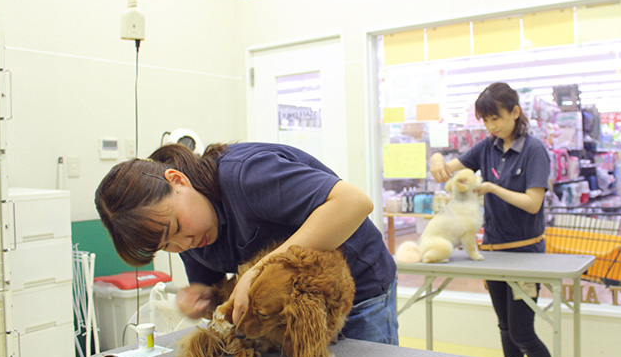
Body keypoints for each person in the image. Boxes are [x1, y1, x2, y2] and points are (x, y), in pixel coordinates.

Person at [95, 142, 399, 345]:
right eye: (166, 246)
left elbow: (354, 203)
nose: (183, 243)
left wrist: (258, 271)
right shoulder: (189, 238)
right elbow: (218, 290)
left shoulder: (248, 175)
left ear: (178, 180)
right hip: (285, 316)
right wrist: (201, 298)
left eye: (175, 227)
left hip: (357, 291)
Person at [430, 82, 565, 357]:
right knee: (505, 328)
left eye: (496, 119)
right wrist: (436, 156)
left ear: (515, 113)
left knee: (522, 330)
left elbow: (533, 203)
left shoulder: (533, 150)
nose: (491, 126)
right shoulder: (487, 147)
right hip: (493, 251)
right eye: (486, 120)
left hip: (525, 253)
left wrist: (492, 187)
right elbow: (449, 168)